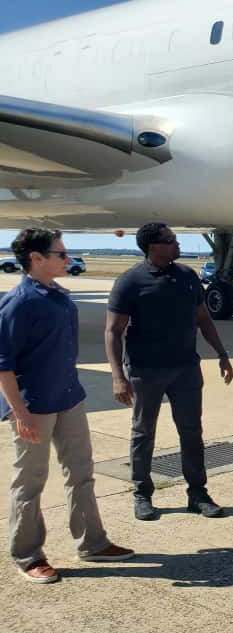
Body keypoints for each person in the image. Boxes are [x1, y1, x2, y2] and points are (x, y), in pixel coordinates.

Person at [1, 229, 134, 583]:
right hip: (35, 406)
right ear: (36, 258)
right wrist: (19, 413)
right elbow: (3, 365)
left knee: (81, 473)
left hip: (69, 399)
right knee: (30, 481)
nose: (68, 259)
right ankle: (28, 555)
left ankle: (92, 542)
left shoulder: (59, 295)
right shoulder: (19, 302)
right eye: (60, 254)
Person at [106, 223, 233, 521]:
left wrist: (222, 354)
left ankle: (197, 494)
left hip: (186, 369)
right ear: (154, 247)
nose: (178, 244)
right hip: (145, 371)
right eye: (171, 240)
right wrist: (118, 376)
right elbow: (113, 331)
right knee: (143, 432)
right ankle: (142, 494)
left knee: (192, 432)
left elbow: (204, 319)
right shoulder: (130, 281)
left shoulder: (187, 276)